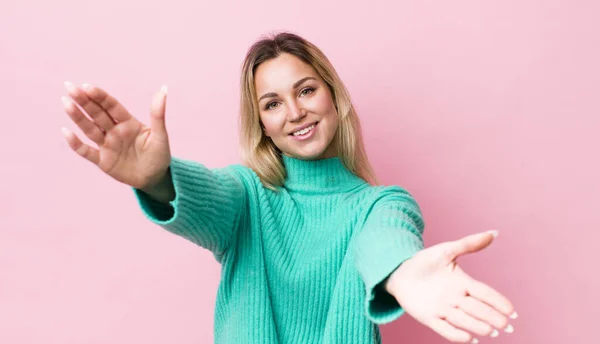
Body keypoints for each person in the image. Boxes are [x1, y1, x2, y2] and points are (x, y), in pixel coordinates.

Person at [60, 32, 517, 344]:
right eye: (273, 103)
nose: (295, 113)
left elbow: (387, 239)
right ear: (262, 123)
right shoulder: (247, 195)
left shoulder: (379, 204)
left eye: (306, 90)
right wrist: (158, 179)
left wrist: (401, 272)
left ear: (334, 97)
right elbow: (211, 198)